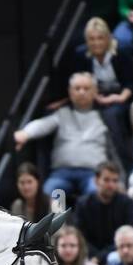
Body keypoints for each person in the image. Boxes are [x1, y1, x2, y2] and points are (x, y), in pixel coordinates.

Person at [14, 72, 119, 203]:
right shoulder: (61, 114)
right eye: (77, 88)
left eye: (86, 88)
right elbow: (42, 125)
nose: (81, 92)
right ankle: (56, 217)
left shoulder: (105, 117)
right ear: (70, 91)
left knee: (97, 195)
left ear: (95, 91)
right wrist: (25, 133)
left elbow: (115, 152)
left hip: (93, 174)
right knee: (49, 194)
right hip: (62, 174)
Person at [65, 17, 133, 164]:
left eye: (100, 38)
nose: (96, 43)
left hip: (120, 97)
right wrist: (94, 96)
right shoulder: (81, 55)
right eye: (92, 39)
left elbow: (131, 82)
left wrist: (119, 98)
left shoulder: (121, 52)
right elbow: (79, 80)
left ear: (108, 38)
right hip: (94, 97)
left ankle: (122, 161)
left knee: (111, 115)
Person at [74, 161, 133, 260]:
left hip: (119, 253)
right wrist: (94, 257)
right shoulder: (83, 204)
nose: (111, 185)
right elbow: (80, 237)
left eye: (115, 181)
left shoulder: (128, 203)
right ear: (96, 181)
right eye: (106, 180)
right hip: (89, 255)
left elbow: (130, 235)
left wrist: (100, 258)